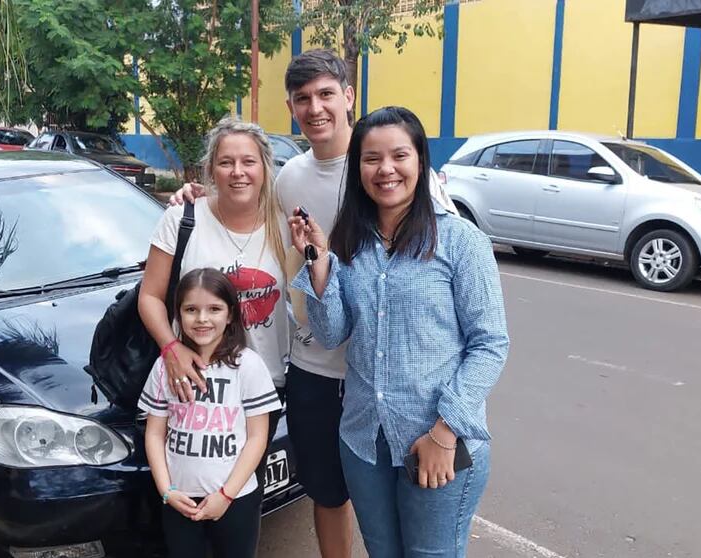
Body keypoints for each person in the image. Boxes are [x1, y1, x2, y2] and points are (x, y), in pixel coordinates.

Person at [170, 50, 458, 558]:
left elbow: (448, 261)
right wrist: (193, 195)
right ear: (291, 107)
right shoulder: (289, 179)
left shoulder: (390, 167)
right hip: (314, 369)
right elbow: (244, 212)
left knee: (402, 508)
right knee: (327, 493)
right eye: (303, 99)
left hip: (392, 375)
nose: (316, 108)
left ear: (349, 97)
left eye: (327, 94)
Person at [289, 105, 509, 557]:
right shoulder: (350, 242)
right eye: (371, 159)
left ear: (420, 161)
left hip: (438, 443)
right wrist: (320, 263)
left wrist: (444, 433)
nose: (385, 169)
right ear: (358, 170)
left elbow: (490, 345)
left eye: (399, 155)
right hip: (364, 440)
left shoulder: (461, 242)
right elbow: (332, 333)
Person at [138, 116, 289, 447]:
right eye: (226, 162)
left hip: (264, 383)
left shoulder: (285, 224)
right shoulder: (182, 218)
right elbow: (150, 296)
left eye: (248, 161)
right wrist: (171, 347)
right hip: (195, 377)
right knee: (195, 480)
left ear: (264, 168)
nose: (238, 172)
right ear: (211, 169)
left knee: (248, 488)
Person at [139, 268, 282, 558]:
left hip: (235, 499)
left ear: (230, 314)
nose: (202, 319)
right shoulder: (165, 367)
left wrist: (226, 495)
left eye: (214, 309)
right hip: (179, 500)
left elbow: (257, 438)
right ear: (178, 314)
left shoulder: (248, 366)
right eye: (191, 309)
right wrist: (167, 491)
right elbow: (155, 433)